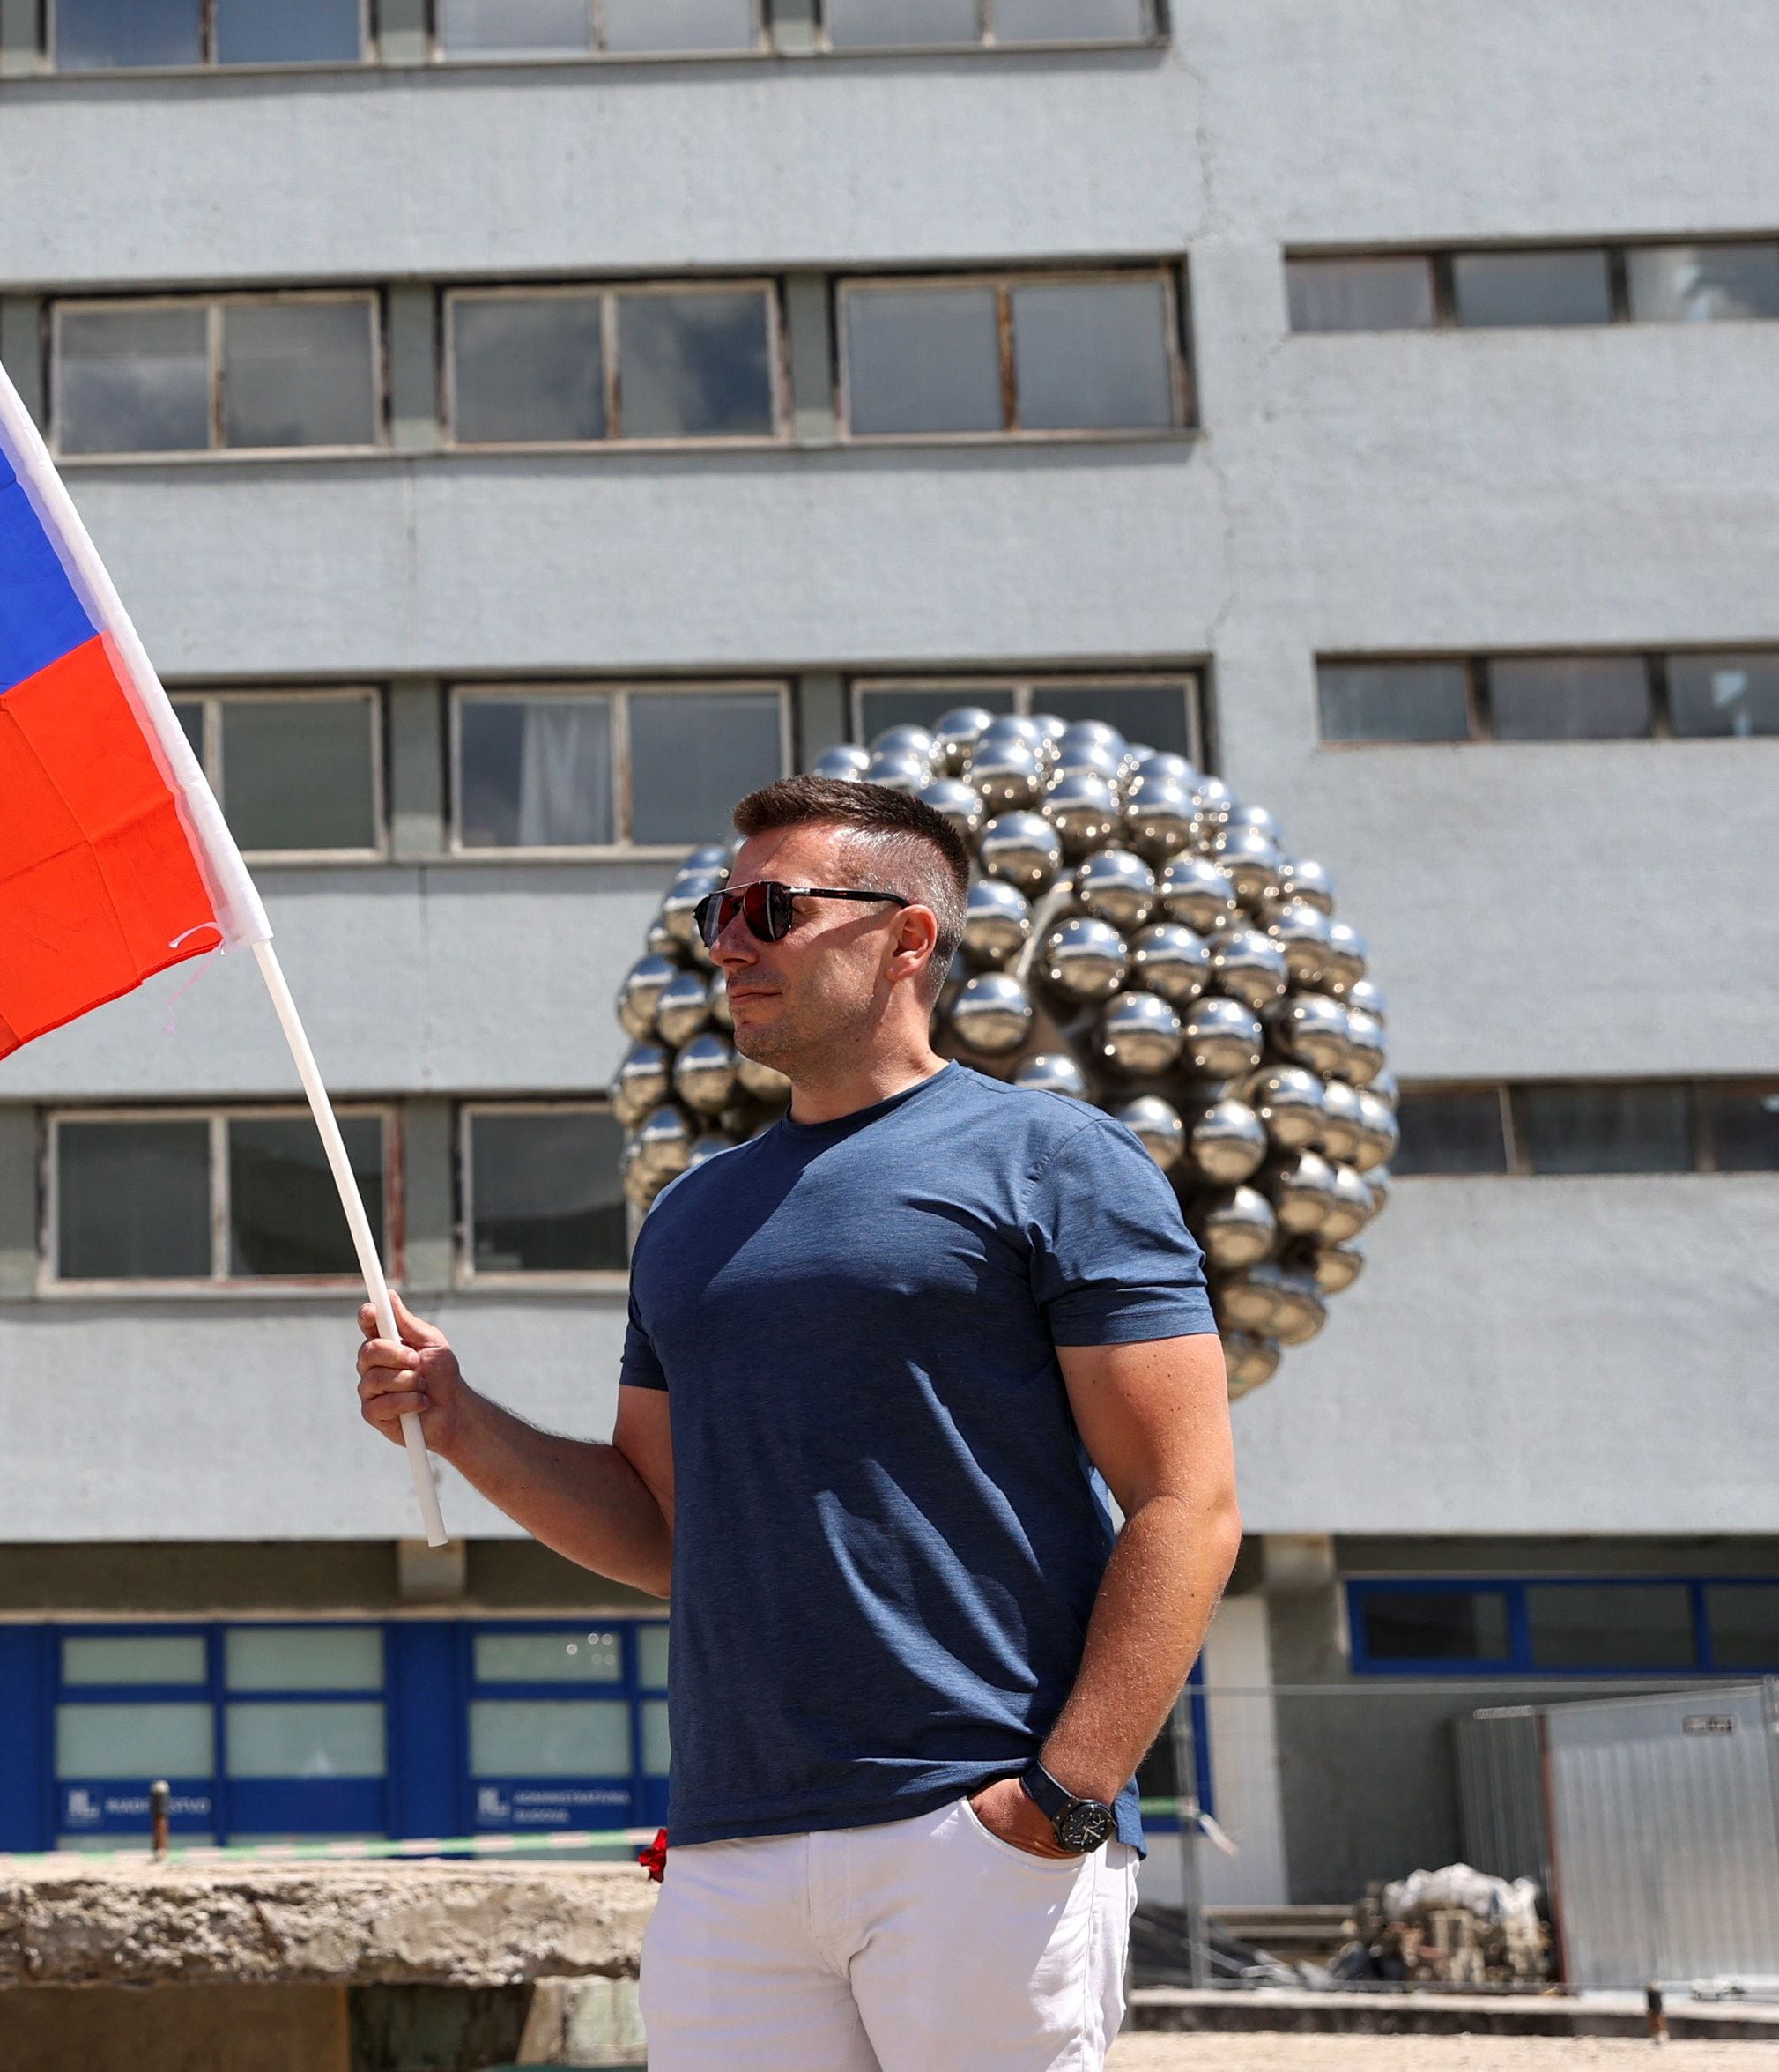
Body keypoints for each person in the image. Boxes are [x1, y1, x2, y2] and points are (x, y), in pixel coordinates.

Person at [354, 776, 1242, 2072]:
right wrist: (459, 1418)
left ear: (908, 938)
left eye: (771, 906)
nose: (728, 941)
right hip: (731, 1848)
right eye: (724, 909)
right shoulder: (693, 1218)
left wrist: (1065, 1794)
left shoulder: (1056, 1162)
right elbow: (667, 1532)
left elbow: (1186, 1503)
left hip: (976, 1826)